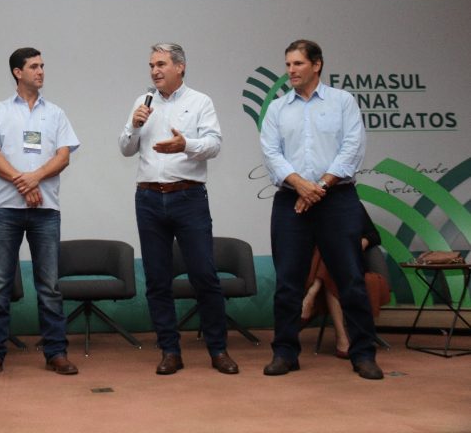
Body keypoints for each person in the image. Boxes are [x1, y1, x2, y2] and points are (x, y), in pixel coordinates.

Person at [260, 39, 383, 380]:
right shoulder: (277, 108)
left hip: (337, 199)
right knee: (288, 282)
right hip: (291, 200)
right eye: (288, 64)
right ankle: (285, 353)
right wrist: (301, 185)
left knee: (351, 279)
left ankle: (363, 354)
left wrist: (320, 187)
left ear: (317, 65)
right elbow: (271, 153)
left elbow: (352, 147)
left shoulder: (342, 102)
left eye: (298, 63)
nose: (291, 70)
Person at [118, 43, 238, 375]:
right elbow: (125, 148)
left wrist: (186, 144)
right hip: (148, 199)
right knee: (157, 280)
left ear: (180, 67)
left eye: (161, 64)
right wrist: (134, 125)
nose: (154, 71)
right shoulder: (143, 103)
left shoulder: (200, 102)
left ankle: (218, 350)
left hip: (188, 198)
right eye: (151, 66)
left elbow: (214, 144)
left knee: (204, 275)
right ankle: (170, 351)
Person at [0, 47, 80, 377]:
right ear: (17, 72)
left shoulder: (56, 113)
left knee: (50, 286)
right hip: (5, 209)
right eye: (34, 66)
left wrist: (34, 178)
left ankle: (56, 353)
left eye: (42, 66)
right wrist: (24, 182)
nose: (41, 71)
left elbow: (63, 157)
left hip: (45, 210)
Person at [301, 204, 390, 358]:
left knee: (335, 251)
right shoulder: (307, 207)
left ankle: (312, 294)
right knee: (328, 252)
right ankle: (342, 338)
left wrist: (361, 242)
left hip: (351, 263)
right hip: (319, 265)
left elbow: (374, 235)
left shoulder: (351, 205)